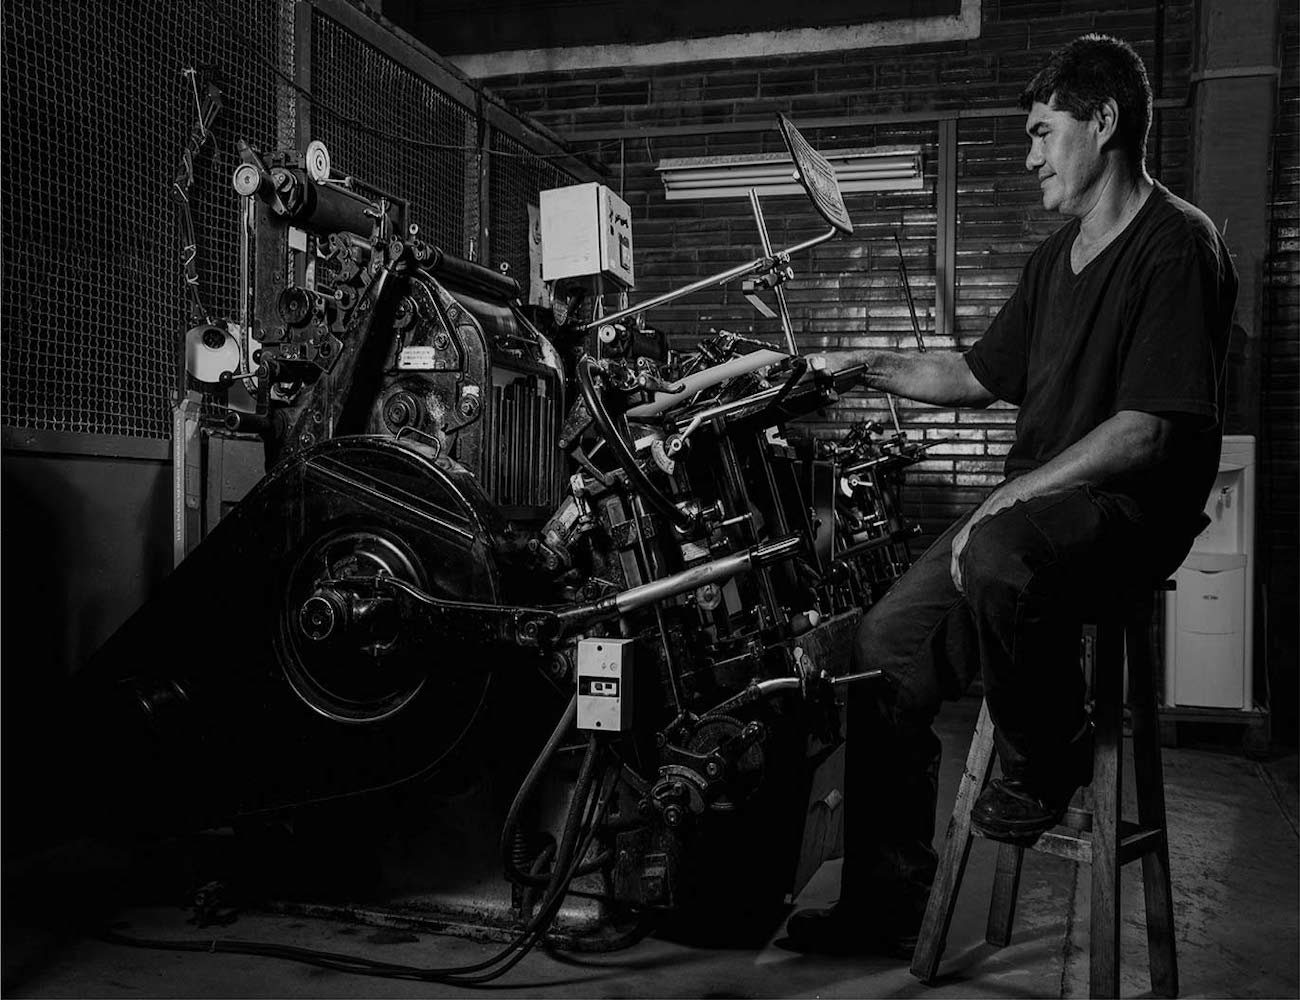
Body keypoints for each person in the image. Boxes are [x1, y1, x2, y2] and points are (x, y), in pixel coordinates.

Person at [786, 33, 1237, 957]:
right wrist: (851, 364)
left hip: (1128, 518)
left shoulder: (1177, 244)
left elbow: (1148, 430)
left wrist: (1006, 501)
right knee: (882, 644)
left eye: (1040, 132)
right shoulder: (1052, 262)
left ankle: (1050, 752)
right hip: (1036, 523)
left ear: (1102, 121)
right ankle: (885, 903)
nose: (1029, 156)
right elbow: (972, 373)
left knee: (998, 549)